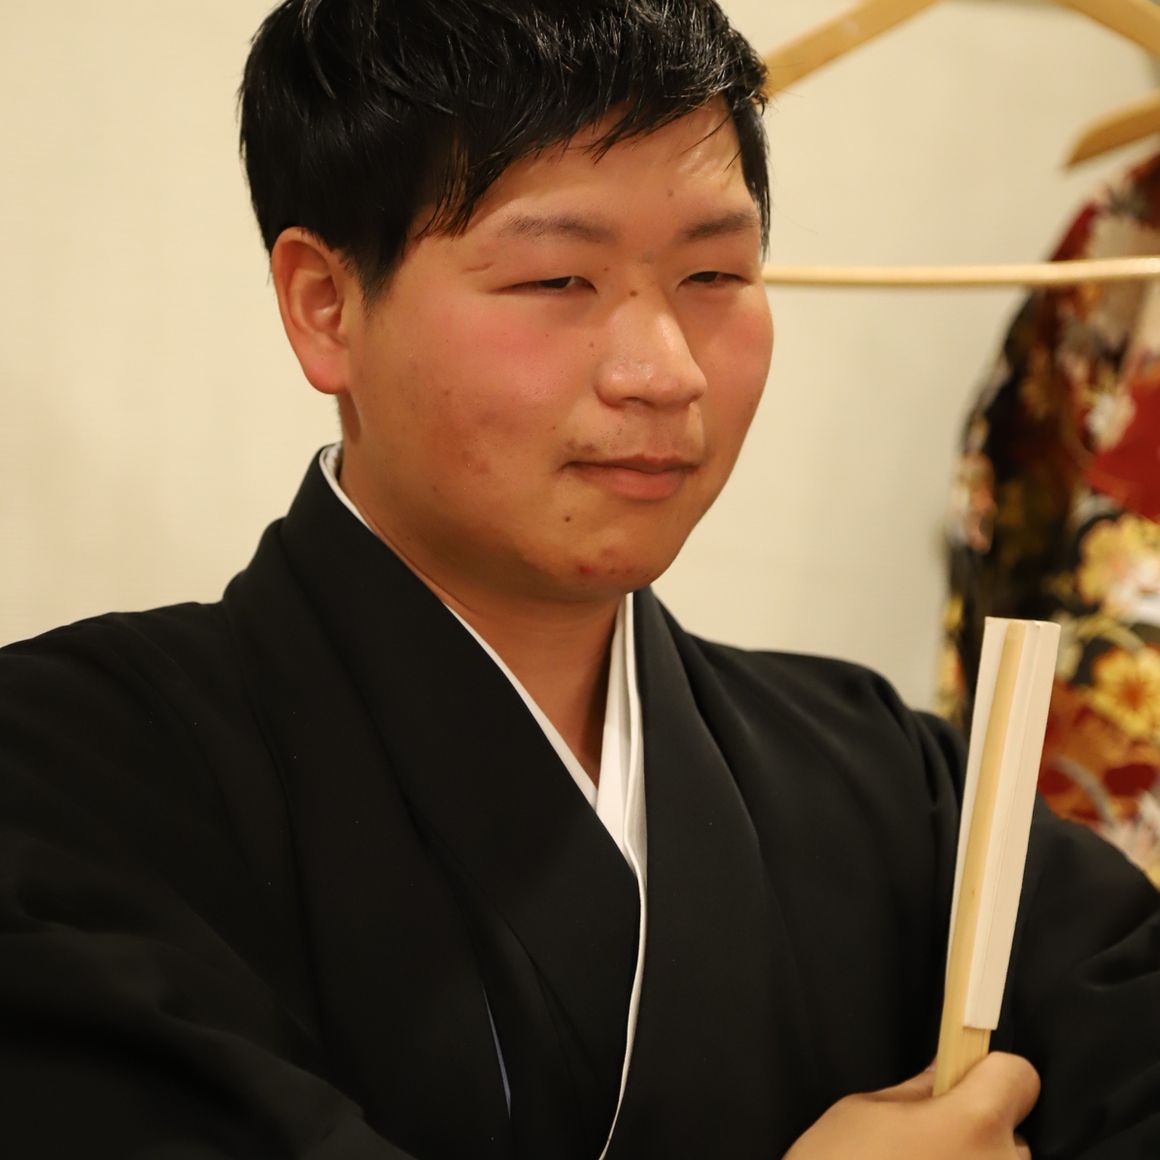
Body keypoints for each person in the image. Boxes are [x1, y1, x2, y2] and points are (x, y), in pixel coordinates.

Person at [1, 1, 1156, 1156]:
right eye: (558, 280)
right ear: (325, 305)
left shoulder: (895, 785)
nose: (663, 370)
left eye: (714, 272)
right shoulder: (68, 774)